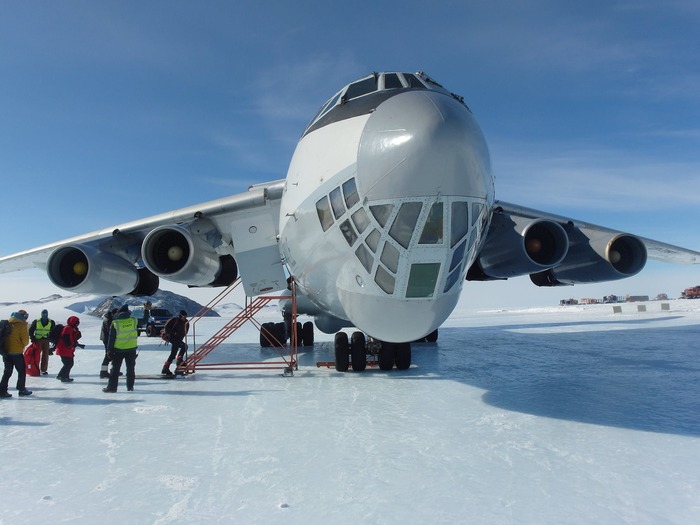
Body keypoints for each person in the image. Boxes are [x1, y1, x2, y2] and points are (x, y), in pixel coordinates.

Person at [103, 304, 138, 393]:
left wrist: (109, 350)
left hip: (118, 350)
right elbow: (145, 320)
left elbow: (111, 338)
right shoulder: (134, 321)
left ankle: (112, 387)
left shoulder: (115, 323)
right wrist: (146, 310)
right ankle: (130, 387)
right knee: (130, 369)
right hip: (131, 349)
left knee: (115, 370)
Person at [0, 310, 32, 398]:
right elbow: (25, 341)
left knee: (7, 372)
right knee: (21, 371)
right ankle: (21, 389)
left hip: (6, 352)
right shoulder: (21, 325)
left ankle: (2, 391)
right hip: (17, 353)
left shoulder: (7, 323)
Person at [161, 310, 189, 376]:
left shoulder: (186, 322)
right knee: (184, 346)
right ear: (180, 316)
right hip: (173, 338)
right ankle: (179, 359)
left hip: (178, 339)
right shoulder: (174, 320)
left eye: (185, 316)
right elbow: (166, 327)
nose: (184, 318)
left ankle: (166, 368)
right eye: (183, 316)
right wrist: (174, 333)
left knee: (173, 353)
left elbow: (185, 332)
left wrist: (180, 335)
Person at [55, 316, 82, 382]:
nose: (77, 323)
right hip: (64, 349)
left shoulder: (72, 328)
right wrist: (70, 346)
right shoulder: (68, 328)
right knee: (68, 363)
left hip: (66, 349)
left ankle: (63, 376)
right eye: (76, 322)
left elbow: (74, 337)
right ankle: (62, 376)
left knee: (69, 363)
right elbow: (65, 338)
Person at [29, 309, 55, 375]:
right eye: (43, 314)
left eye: (45, 314)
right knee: (36, 355)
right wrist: (33, 338)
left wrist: (52, 339)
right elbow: (31, 330)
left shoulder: (51, 322)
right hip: (38, 340)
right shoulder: (36, 321)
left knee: (45, 355)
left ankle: (43, 370)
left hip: (46, 340)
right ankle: (35, 369)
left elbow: (53, 331)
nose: (44, 315)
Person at [99, 308, 118, 378]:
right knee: (108, 355)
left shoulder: (108, 318)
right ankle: (103, 372)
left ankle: (114, 370)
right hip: (107, 339)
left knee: (112, 355)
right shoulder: (108, 320)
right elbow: (110, 331)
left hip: (107, 339)